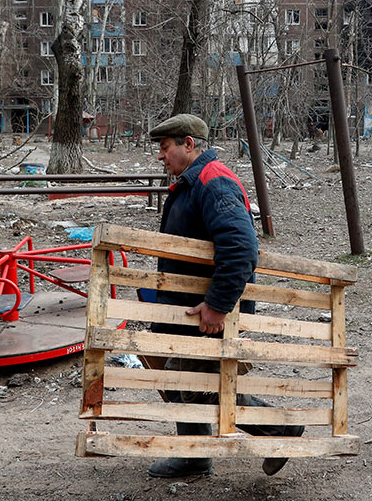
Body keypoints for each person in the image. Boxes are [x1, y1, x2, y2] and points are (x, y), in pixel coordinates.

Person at [145, 114, 303, 478]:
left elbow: (241, 248)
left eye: (165, 148)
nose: (160, 156)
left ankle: (280, 430)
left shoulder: (213, 181)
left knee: (200, 386)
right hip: (190, 307)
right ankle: (195, 456)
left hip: (208, 311)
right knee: (180, 376)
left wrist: (217, 306)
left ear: (188, 144)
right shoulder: (193, 182)